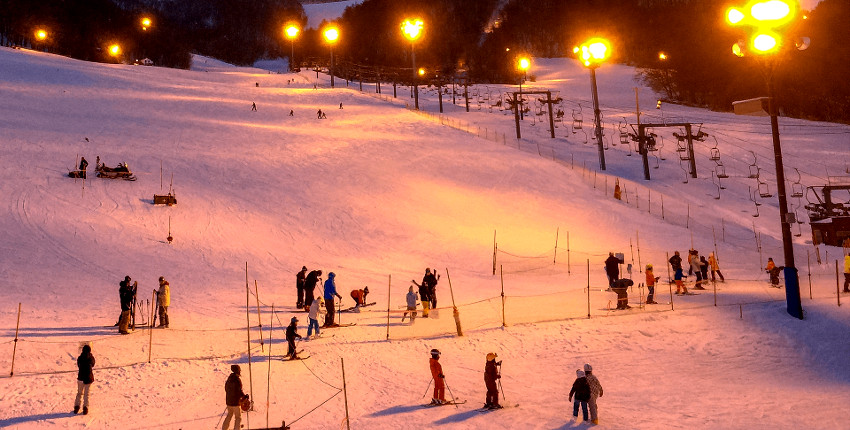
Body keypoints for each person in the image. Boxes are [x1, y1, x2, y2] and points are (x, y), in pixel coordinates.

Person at [223, 365, 248, 430]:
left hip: (229, 402)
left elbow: (226, 389)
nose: (240, 372)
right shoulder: (237, 380)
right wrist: (244, 396)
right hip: (236, 403)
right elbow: (239, 391)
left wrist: (230, 397)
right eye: (239, 370)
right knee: (238, 417)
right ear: (237, 371)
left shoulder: (229, 378)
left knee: (229, 415)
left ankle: (224, 428)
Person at [73, 344, 95, 415]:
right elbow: (93, 364)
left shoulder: (80, 357)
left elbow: (78, 365)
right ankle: (85, 408)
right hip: (88, 378)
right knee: (86, 394)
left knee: (79, 393)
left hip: (80, 377)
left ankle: (77, 406)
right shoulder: (91, 358)